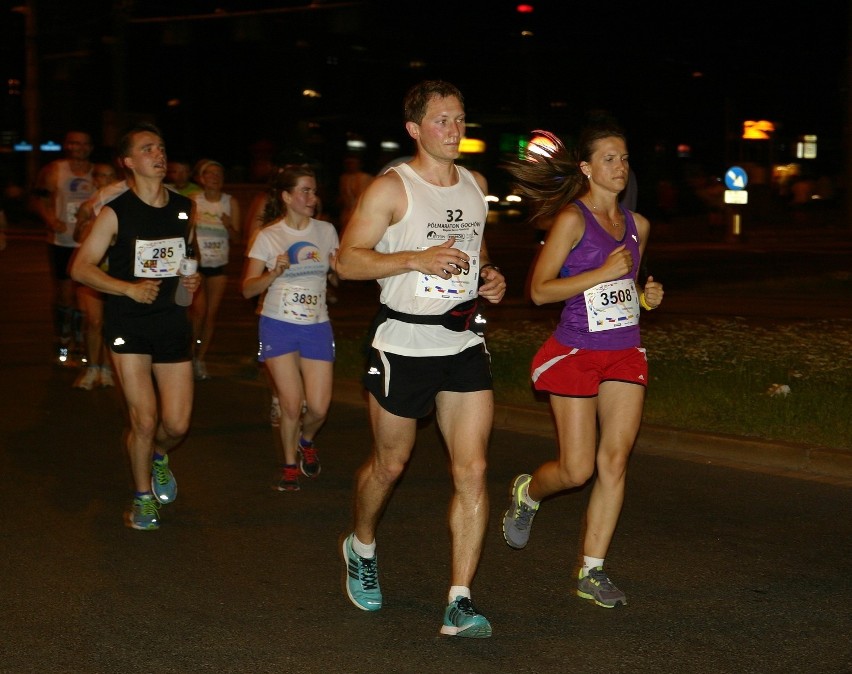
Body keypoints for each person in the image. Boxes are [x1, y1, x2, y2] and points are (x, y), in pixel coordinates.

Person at [333, 80, 506, 638]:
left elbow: (476, 251)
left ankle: (459, 601)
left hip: (461, 342)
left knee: (473, 469)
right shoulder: (392, 189)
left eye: (460, 119)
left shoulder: (476, 186)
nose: (454, 130)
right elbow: (347, 263)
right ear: (414, 129)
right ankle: (360, 546)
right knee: (390, 464)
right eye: (442, 121)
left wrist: (490, 279)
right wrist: (414, 259)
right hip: (402, 343)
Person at [501, 127, 664, 609]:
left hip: (624, 350)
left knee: (613, 462)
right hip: (576, 351)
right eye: (609, 158)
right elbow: (538, 290)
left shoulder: (640, 225)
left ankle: (591, 571)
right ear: (588, 169)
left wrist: (646, 298)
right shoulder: (571, 221)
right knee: (576, 470)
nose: (620, 166)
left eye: (625, 158)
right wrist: (601, 273)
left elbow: (625, 288)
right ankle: (529, 491)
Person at [71, 122, 200, 531]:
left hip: (171, 322)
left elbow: (185, 259)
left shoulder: (184, 208)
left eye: (161, 147)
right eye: (148, 149)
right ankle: (142, 497)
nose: (158, 155)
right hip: (129, 324)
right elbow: (81, 268)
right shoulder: (115, 212)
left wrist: (188, 280)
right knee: (143, 419)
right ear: (128, 162)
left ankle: (159, 457)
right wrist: (127, 289)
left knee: (176, 424)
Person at [241, 164, 338, 492]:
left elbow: (335, 276)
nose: (312, 196)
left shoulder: (326, 232)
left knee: (320, 407)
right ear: (286, 196)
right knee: (292, 403)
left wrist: (339, 269)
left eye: (313, 190)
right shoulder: (269, 236)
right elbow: (247, 289)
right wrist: (273, 273)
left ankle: (306, 440)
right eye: (305, 190)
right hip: (278, 324)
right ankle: (288, 468)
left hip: (316, 325)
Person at [32, 130, 95, 364]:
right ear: (67, 146)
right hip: (62, 241)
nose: (79, 147)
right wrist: (51, 220)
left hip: (89, 242)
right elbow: (38, 199)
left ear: (91, 147)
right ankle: (63, 338)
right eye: (74, 143)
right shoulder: (54, 171)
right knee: (65, 294)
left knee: (85, 294)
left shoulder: (98, 173)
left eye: (84, 143)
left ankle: (80, 338)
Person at [71, 160, 123, 389]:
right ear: (94, 179)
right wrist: (87, 226)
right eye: (102, 176)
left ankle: (108, 368)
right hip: (94, 269)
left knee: (113, 322)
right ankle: (92, 368)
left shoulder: (124, 203)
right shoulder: (89, 205)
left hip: (117, 270)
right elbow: (77, 237)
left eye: (111, 176)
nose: (106, 181)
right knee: (94, 320)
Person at [189, 159, 241, 380]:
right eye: (209, 174)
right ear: (201, 178)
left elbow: (238, 238)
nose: (214, 177)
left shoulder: (231, 202)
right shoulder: (194, 201)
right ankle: (188, 355)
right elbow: (187, 232)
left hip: (219, 264)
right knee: (198, 312)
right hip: (198, 265)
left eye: (218, 173)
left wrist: (228, 224)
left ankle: (200, 359)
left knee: (211, 315)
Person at [337, 155, 373, 229]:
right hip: (346, 212)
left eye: (353, 163)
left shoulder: (365, 177)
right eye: (348, 163)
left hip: (360, 211)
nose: (350, 165)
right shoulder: (344, 178)